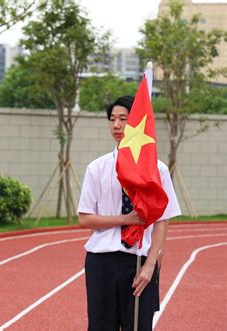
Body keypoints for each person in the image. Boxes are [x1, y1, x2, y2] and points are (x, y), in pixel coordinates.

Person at [78, 95, 181, 331]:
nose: (116, 125)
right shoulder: (97, 168)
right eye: (112, 119)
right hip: (101, 262)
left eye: (123, 119)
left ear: (137, 123)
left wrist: (150, 266)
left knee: (139, 326)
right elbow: (84, 218)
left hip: (139, 261)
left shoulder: (157, 170)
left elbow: (162, 220)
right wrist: (126, 219)